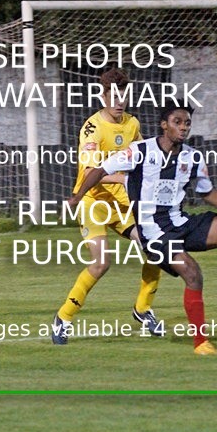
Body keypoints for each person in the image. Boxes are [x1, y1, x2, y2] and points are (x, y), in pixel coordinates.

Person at [67, 103, 217, 355]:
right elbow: (99, 170)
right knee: (193, 274)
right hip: (154, 233)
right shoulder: (140, 151)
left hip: (181, 222)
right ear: (164, 125)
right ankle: (200, 343)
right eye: (177, 122)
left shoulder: (192, 157)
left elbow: (206, 192)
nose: (183, 127)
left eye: (187, 123)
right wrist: (77, 197)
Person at [51, 68, 163, 345]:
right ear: (103, 96)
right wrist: (126, 178)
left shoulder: (133, 124)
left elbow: (142, 156)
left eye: (122, 94)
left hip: (122, 203)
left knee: (156, 247)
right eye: (113, 94)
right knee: (101, 263)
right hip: (93, 201)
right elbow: (92, 169)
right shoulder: (92, 128)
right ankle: (63, 317)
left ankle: (143, 309)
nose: (118, 100)